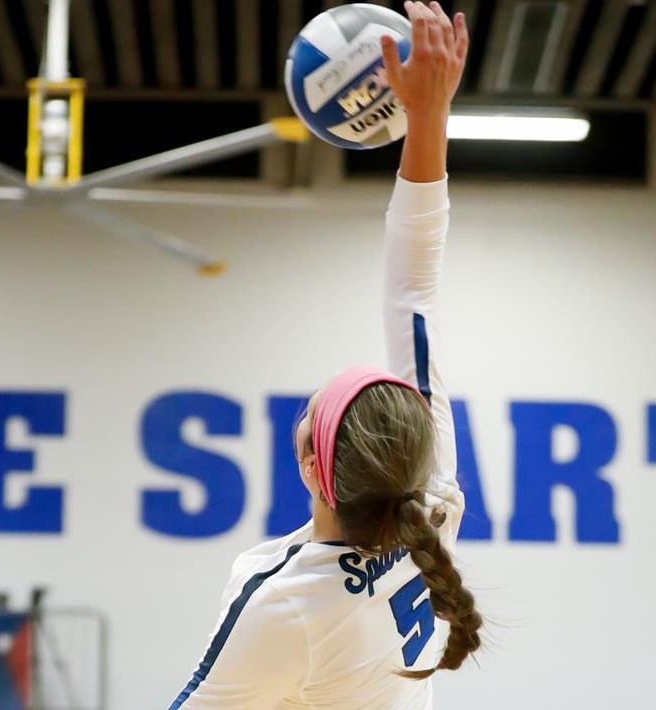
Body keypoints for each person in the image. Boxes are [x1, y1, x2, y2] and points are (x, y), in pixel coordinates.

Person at [168, 3, 480, 707]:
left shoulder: (287, 599)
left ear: (311, 462)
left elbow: (413, 290)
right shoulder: (431, 504)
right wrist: (427, 118)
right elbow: (413, 288)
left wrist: (428, 117)